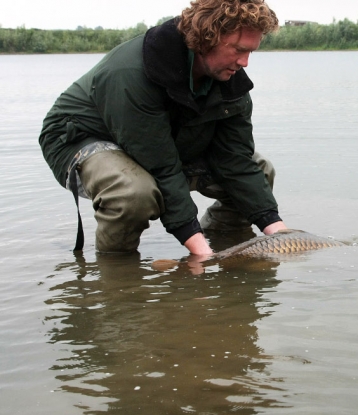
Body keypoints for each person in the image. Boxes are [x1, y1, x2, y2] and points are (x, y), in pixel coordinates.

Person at [38, 0, 287, 256]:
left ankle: (229, 251)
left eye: (251, 52)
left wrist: (281, 235)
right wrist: (202, 255)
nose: (245, 62)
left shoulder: (231, 81)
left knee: (260, 171)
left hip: (160, 140)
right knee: (133, 192)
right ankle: (118, 278)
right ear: (208, 38)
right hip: (80, 137)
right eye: (238, 49)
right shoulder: (131, 72)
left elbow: (235, 160)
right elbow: (162, 167)